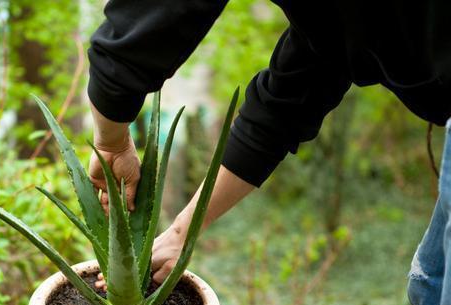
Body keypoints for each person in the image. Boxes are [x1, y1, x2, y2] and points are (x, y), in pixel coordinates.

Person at [86, 0, 450, 303]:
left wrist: (111, 138)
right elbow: (289, 99)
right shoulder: (336, 20)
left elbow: (156, 14)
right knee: (429, 286)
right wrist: (180, 233)